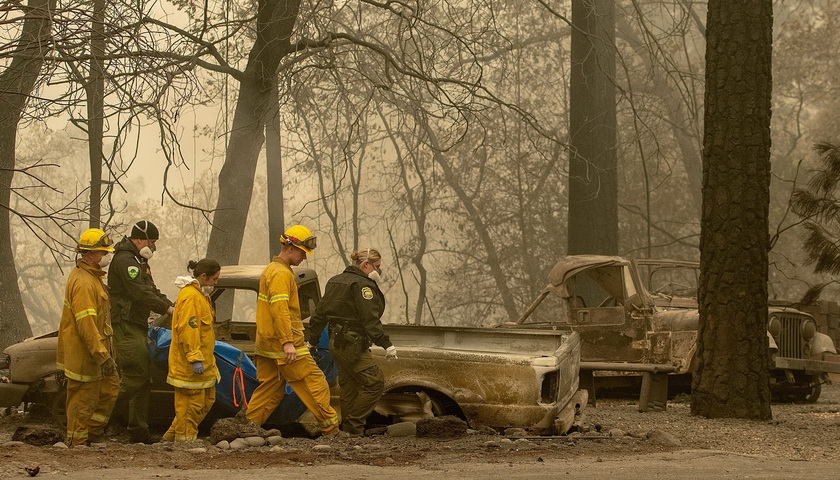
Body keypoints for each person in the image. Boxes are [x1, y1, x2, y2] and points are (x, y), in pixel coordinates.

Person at [245, 225, 340, 435]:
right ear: (289, 247)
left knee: (269, 389)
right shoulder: (281, 274)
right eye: (302, 252)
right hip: (285, 345)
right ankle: (332, 430)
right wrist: (288, 342)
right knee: (315, 383)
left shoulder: (272, 270)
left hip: (268, 344)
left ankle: (247, 429)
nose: (304, 258)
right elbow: (280, 310)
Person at [307, 248, 397, 437]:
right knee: (374, 383)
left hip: (336, 342)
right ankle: (354, 426)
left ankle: (348, 432)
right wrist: (387, 344)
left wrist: (312, 340)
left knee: (349, 386)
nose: (378, 271)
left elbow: (319, 315)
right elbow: (370, 320)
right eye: (377, 266)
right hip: (353, 344)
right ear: (366, 265)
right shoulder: (362, 285)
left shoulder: (335, 281)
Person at [108, 220, 174, 443]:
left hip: (136, 324)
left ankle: (138, 431)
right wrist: (165, 308)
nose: (153, 247)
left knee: (144, 378)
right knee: (136, 375)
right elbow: (138, 293)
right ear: (139, 239)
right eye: (151, 242)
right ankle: (97, 415)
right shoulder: (125, 261)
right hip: (125, 324)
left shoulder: (139, 261)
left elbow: (151, 290)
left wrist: (174, 305)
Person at [56, 228, 120, 447]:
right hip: (86, 355)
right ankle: (77, 442)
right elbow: (86, 325)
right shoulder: (84, 283)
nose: (107, 257)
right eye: (103, 252)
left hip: (97, 351)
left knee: (109, 389)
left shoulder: (92, 278)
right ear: (91, 254)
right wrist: (101, 356)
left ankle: (93, 433)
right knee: (84, 400)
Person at [162, 258, 222, 442]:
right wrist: (194, 357)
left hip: (204, 362)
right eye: (214, 279)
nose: (215, 283)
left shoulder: (201, 296)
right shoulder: (190, 297)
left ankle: (170, 439)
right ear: (203, 276)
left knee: (206, 400)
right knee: (191, 406)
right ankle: (184, 443)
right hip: (189, 364)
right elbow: (189, 329)